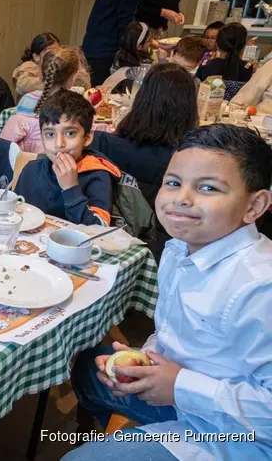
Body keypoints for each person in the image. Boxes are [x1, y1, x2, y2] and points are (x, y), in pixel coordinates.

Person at [64, 124, 272, 461]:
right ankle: (122, 441)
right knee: (88, 368)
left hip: (236, 438)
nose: (181, 198)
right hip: (185, 398)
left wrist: (180, 387)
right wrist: (143, 360)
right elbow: (172, 333)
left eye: (208, 187)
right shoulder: (179, 249)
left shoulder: (260, 288)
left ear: (254, 205)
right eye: (173, 183)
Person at [89, 63, 197, 208]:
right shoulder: (184, 161)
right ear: (188, 107)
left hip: (106, 219)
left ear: (142, 98)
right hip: (158, 224)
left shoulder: (104, 143)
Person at [14, 90, 121, 226]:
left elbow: (99, 229)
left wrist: (71, 188)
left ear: (87, 138)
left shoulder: (97, 175)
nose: (59, 144)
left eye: (70, 133)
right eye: (50, 134)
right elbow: (14, 214)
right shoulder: (31, 170)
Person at [82, 0, 162, 86]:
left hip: (95, 40)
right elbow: (126, 20)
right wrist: (142, 42)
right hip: (106, 47)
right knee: (100, 95)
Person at [0, 46, 83, 152]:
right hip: (59, 163)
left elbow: (4, 144)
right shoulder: (75, 107)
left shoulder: (27, 99)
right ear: (72, 78)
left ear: (43, 74)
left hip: (22, 163)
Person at [101, 21, 155, 91]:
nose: (151, 42)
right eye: (149, 40)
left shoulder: (120, 55)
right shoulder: (133, 72)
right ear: (139, 46)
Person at [12, 32, 60, 98]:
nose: (55, 56)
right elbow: (21, 85)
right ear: (36, 56)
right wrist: (56, 85)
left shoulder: (56, 67)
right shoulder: (29, 66)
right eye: (50, 53)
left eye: (58, 52)